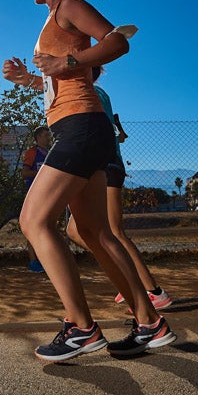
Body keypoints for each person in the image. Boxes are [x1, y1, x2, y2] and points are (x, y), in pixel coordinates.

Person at [2, 0, 176, 361]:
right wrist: (28, 78)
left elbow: (116, 42)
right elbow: (60, 81)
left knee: (33, 220)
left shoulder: (69, 5)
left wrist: (69, 59)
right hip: (80, 126)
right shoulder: (53, 20)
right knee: (91, 232)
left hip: (81, 128)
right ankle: (150, 323)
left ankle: (82, 327)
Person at [66, 67, 173, 310]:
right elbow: (120, 134)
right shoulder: (98, 93)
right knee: (75, 230)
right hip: (102, 164)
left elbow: (105, 131)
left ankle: (154, 292)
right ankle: (128, 279)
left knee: (115, 232)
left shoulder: (89, 92)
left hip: (105, 164)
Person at [22, 126, 52, 272]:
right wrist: (42, 173)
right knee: (33, 227)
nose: (49, 138)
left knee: (46, 227)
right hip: (34, 194)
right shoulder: (32, 152)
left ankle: (45, 260)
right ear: (38, 137)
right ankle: (33, 261)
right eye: (46, 135)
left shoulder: (50, 153)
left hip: (48, 195)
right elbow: (25, 173)